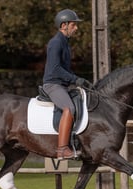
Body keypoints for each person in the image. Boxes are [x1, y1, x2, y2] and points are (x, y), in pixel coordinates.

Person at [42, 9, 90, 160]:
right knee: (68, 109)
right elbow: (55, 69)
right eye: (73, 25)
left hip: (63, 85)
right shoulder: (56, 43)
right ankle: (62, 149)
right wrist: (75, 79)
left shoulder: (65, 43)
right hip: (52, 84)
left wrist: (77, 81)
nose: (76, 28)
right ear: (64, 25)